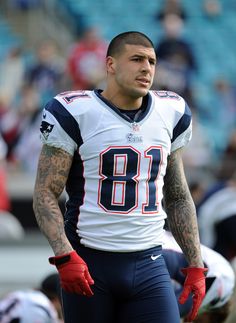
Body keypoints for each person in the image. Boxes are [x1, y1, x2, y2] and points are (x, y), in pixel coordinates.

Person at [33, 31, 206, 323]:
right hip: (90, 262)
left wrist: (196, 263)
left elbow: (176, 194)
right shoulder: (76, 111)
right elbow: (45, 192)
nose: (146, 68)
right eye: (137, 59)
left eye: (152, 61)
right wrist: (64, 254)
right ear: (110, 64)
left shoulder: (171, 111)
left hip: (150, 262)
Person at [162, 230, 235, 323]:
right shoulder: (220, 293)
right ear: (212, 319)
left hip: (157, 241)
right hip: (158, 250)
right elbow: (171, 308)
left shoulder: (224, 283)